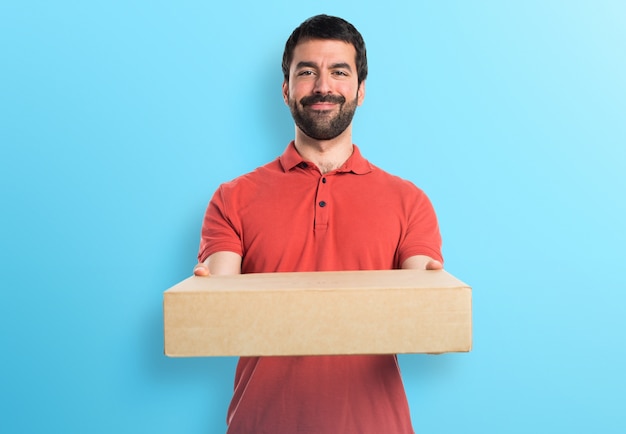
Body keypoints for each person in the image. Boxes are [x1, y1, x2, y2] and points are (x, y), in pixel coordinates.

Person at [193, 14, 443, 434]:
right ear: (286, 89)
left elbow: (422, 327)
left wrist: (434, 303)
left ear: (361, 91)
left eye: (339, 72)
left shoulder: (409, 202)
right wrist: (208, 297)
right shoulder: (232, 198)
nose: (323, 86)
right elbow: (222, 319)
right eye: (307, 72)